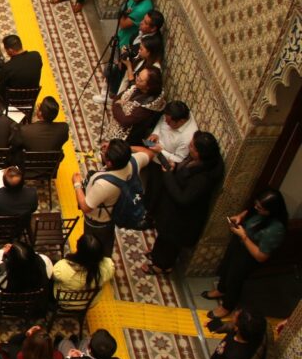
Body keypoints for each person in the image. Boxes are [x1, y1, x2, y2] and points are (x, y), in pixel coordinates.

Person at [143, 131, 224, 274]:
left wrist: (168, 175)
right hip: (171, 209)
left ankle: (161, 266)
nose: (189, 146)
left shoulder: (203, 178)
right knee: (163, 236)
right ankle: (156, 254)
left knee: (170, 242)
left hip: (181, 219)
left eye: (192, 146)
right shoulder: (198, 161)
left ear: (199, 154)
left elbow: (183, 198)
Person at [204, 187, 287, 319]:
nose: (256, 208)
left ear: (270, 210)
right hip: (239, 245)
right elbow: (249, 212)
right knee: (226, 268)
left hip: (248, 256)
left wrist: (244, 237)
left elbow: (261, 256)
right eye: (256, 205)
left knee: (235, 279)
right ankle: (221, 290)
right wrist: (240, 217)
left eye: (260, 207)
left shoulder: (276, 230)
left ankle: (227, 306)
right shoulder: (259, 211)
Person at [72, 139, 151, 255]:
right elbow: (148, 152)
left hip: (98, 222)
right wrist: (123, 150)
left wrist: (77, 184)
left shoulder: (104, 185)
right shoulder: (134, 162)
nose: (103, 147)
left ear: (109, 163)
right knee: (107, 241)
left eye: (105, 150)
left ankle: (93, 264)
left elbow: (85, 207)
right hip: (113, 214)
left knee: (93, 248)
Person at [106, 66, 165, 145]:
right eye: (138, 75)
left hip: (127, 139)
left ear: (148, 86)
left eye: (140, 79)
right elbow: (117, 98)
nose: (136, 79)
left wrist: (117, 105)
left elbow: (125, 121)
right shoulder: (136, 88)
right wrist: (117, 104)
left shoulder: (146, 107)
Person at [51, 234, 114, 302]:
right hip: (90, 302)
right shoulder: (109, 266)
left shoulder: (62, 268)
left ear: (78, 247)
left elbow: (53, 275)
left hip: (66, 302)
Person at [0, 35, 43, 109]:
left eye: (6, 50)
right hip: (30, 100)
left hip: (11, 104)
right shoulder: (36, 56)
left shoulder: (8, 67)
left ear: (10, 50)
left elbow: (0, 90)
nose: (6, 52)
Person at [142, 100, 197, 168]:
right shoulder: (174, 113)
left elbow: (178, 159)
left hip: (162, 164)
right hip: (151, 150)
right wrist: (155, 133)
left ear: (181, 121)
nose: (165, 122)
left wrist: (160, 151)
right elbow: (162, 120)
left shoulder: (188, 137)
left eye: (169, 122)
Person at [112, 31, 163, 98]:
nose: (139, 51)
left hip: (136, 96)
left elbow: (136, 86)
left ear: (149, 52)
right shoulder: (143, 59)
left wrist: (129, 67)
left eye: (141, 49)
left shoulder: (154, 69)